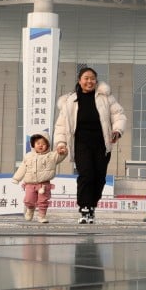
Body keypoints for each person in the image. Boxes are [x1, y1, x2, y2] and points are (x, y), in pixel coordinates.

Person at [53, 67, 126, 224]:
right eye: (86, 78)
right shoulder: (69, 102)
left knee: (99, 177)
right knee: (86, 174)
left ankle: (92, 205)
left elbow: (119, 114)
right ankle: (85, 207)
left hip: (102, 144)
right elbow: (61, 126)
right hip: (81, 144)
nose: (89, 81)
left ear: (96, 80)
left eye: (92, 78)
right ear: (80, 81)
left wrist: (117, 130)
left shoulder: (105, 97)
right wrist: (61, 143)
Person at [12, 132, 67, 223]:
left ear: (48, 145)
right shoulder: (28, 156)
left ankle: (41, 216)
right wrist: (16, 178)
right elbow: (22, 167)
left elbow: (61, 155)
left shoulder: (52, 156)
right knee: (29, 199)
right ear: (33, 144)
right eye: (38, 143)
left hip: (44, 184)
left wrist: (63, 151)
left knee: (43, 201)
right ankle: (30, 209)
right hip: (30, 183)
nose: (41, 146)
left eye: (43, 144)